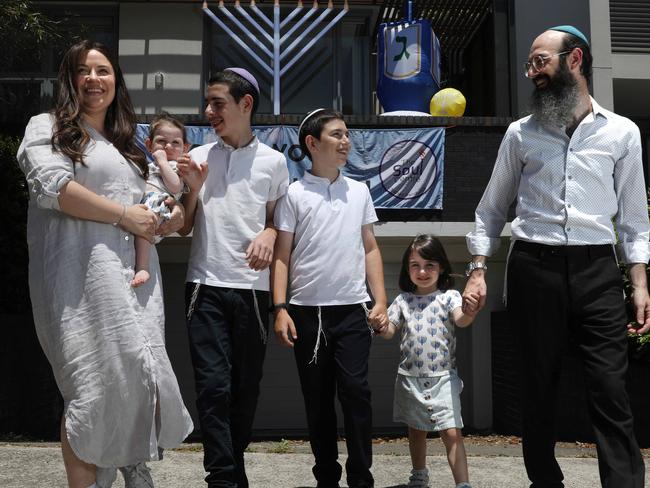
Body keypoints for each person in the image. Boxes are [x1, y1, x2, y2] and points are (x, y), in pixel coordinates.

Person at [463, 25, 649, 488]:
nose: (533, 72)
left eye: (540, 61)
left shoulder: (622, 133)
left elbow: (633, 218)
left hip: (598, 270)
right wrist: (478, 269)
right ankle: (545, 481)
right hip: (534, 267)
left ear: (575, 59)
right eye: (529, 64)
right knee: (537, 386)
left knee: (609, 387)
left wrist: (640, 281)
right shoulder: (520, 134)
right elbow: (489, 210)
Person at [16, 40, 193, 488]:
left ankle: (131, 460)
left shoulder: (129, 145)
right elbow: (52, 188)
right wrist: (123, 214)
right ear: (69, 80)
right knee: (91, 387)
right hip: (80, 280)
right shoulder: (48, 127)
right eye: (84, 71)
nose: (95, 79)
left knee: (137, 373)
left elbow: (159, 205)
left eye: (104, 71)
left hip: (135, 283)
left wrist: (167, 215)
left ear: (116, 81)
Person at [176, 68, 289, 488]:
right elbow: (185, 225)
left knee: (246, 389)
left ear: (246, 104)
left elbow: (282, 227)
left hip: (254, 292)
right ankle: (222, 479)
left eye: (217, 103)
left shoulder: (275, 163)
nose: (208, 112)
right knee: (213, 388)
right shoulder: (200, 156)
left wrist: (270, 230)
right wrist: (191, 187)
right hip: (204, 287)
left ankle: (233, 468)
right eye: (207, 103)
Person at [272, 108, 389, 488]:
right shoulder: (294, 193)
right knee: (317, 399)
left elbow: (370, 248)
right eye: (337, 135)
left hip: (353, 311)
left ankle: (361, 477)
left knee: (357, 393)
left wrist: (381, 301)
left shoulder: (359, 191)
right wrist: (280, 308)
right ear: (312, 143)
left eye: (347, 135)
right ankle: (326, 477)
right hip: (307, 314)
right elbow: (281, 255)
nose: (346, 142)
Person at [377, 234, 477, 488]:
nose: (422, 271)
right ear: (407, 268)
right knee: (416, 430)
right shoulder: (403, 301)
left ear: (441, 267)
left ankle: (463, 484)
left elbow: (462, 320)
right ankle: (419, 475)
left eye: (430, 265)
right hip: (410, 379)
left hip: (443, 378)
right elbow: (389, 331)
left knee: (451, 432)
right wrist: (378, 323)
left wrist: (470, 311)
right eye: (415, 265)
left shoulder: (450, 297)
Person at [132, 114, 189, 287]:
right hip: (144, 205)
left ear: (185, 148)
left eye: (176, 143)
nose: (168, 146)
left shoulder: (178, 166)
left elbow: (175, 187)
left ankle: (142, 267)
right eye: (162, 141)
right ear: (149, 145)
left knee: (144, 230)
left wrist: (163, 162)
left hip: (159, 206)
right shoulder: (149, 165)